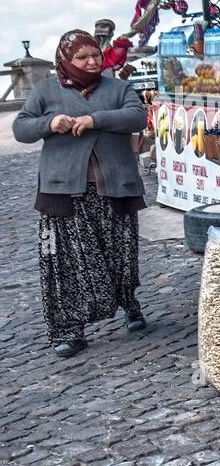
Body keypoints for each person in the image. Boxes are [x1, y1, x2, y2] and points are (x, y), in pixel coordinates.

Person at [12, 30, 149, 357]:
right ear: (65, 59)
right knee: (64, 263)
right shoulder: (46, 90)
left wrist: (93, 119)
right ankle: (69, 331)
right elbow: (21, 128)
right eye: (82, 57)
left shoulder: (118, 87)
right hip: (63, 191)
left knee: (121, 256)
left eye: (95, 56)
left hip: (115, 188)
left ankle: (130, 305)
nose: (91, 62)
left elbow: (137, 116)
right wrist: (51, 122)